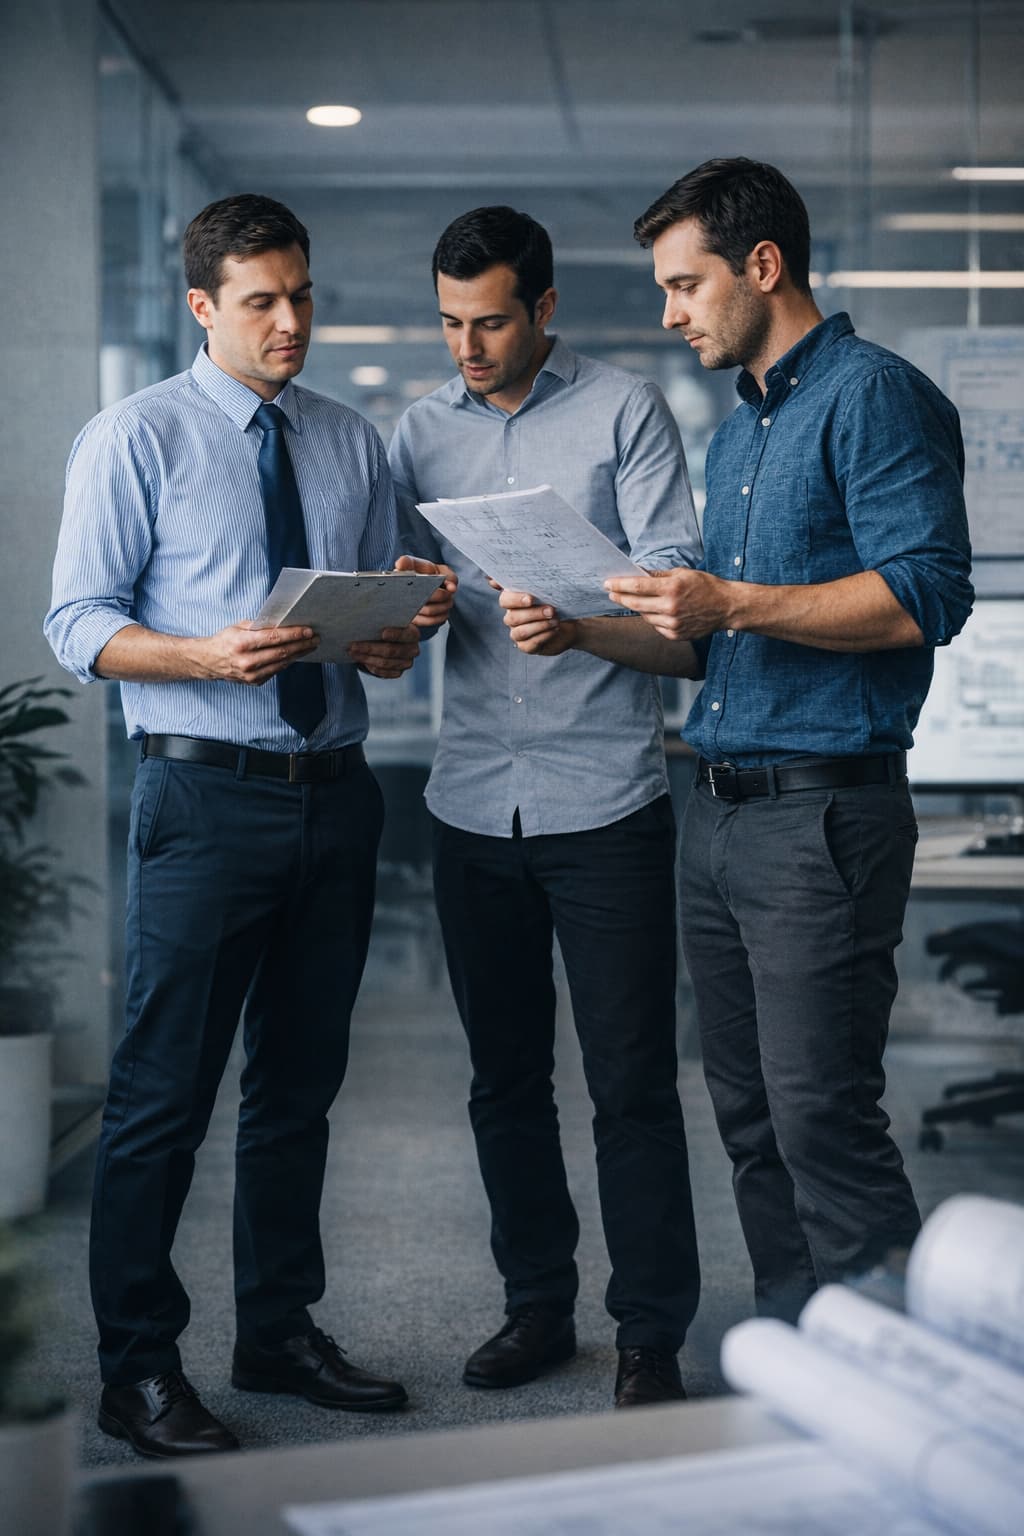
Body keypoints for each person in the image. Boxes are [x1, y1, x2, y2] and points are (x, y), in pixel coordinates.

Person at [503, 158, 973, 1324]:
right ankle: (802, 1350)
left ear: (762, 266)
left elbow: (926, 595)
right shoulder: (741, 432)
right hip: (716, 811)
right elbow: (713, 645)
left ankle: (901, 1383)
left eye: (684, 284)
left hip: (820, 815)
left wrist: (733, 603)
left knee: (821, 1112)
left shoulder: (872, 395)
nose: (670, 313)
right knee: (751, 1115)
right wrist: (580, 631)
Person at [45, 193, 453, 1458]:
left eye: (303, 295)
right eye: (263, 301)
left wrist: (398, 632)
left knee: (296, 1091)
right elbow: (76, 627)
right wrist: (200, 654)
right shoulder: (136, 438)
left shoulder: (348, 440)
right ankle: (137, 1368)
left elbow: (381, 616)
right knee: (163, 1095)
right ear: (204, 307)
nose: (291, 322)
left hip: (336, 793)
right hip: (202, 797)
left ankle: (278, 1329)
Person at [389, 205, 703, 1408]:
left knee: (629, 1082)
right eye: (451, 325)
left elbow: (683, 630)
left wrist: (581, 626)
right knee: (502, 1079)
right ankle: (536, 1306)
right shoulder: (417, 434)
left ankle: (648, 1335)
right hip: (470, 802)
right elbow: (391, 620)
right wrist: (409, 604)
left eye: (491, 322)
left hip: (605, 804)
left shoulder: (623, 412)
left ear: (545, 310)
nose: (468, 347)